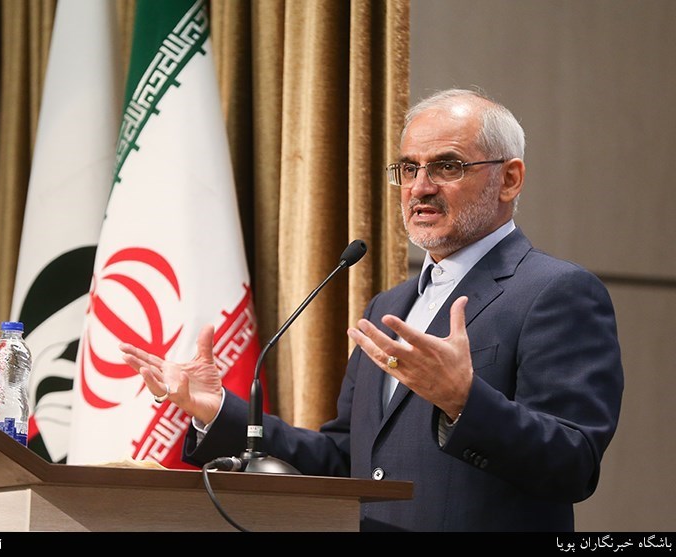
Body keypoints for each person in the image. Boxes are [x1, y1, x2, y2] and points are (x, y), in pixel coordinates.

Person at [119, 87, 624, 532]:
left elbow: (573, 463)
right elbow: (347, 460)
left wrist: (464, 402)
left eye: (447, 166)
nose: (420, 187)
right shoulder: (390, 305)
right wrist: (219, 412)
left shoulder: (555, 292)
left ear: (509, 179)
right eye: (409, 168)